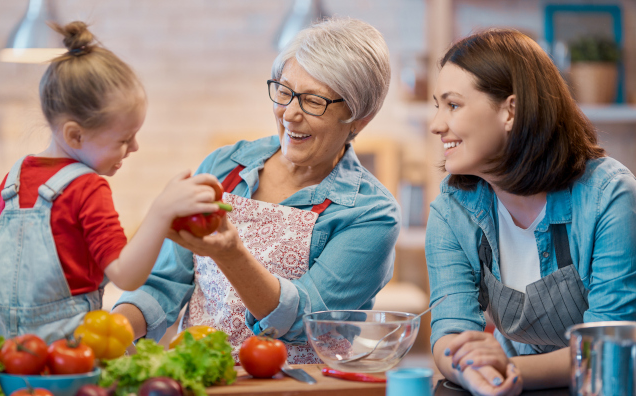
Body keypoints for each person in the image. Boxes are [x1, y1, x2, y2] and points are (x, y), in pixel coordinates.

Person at [112, 17, 401, 363]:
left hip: (300, 386)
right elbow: (163, 285)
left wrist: (231, 254)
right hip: (206, 378)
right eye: (284, 91)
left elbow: (304, 320)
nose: (289, 114)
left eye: (313, 101)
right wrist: (108, 331)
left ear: (359, 117)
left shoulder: (370, 213)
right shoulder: (224, 167)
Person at [0, 21, 221, 351]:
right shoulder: (87, 188)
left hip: (0, 352)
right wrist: (161, 211)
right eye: (124, 139)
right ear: (75, 135)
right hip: (63, 356)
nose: (135, 148)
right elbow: (125, 275)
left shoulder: (12, 180)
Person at [426, 28, 636, 395]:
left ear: (511, 110)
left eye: (453, 105)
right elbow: (450, 331)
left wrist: (507, 368)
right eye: (436, 106)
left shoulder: (608, 196)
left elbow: (607, 346)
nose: (436, 124)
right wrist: (473, 371)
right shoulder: (452, 208)